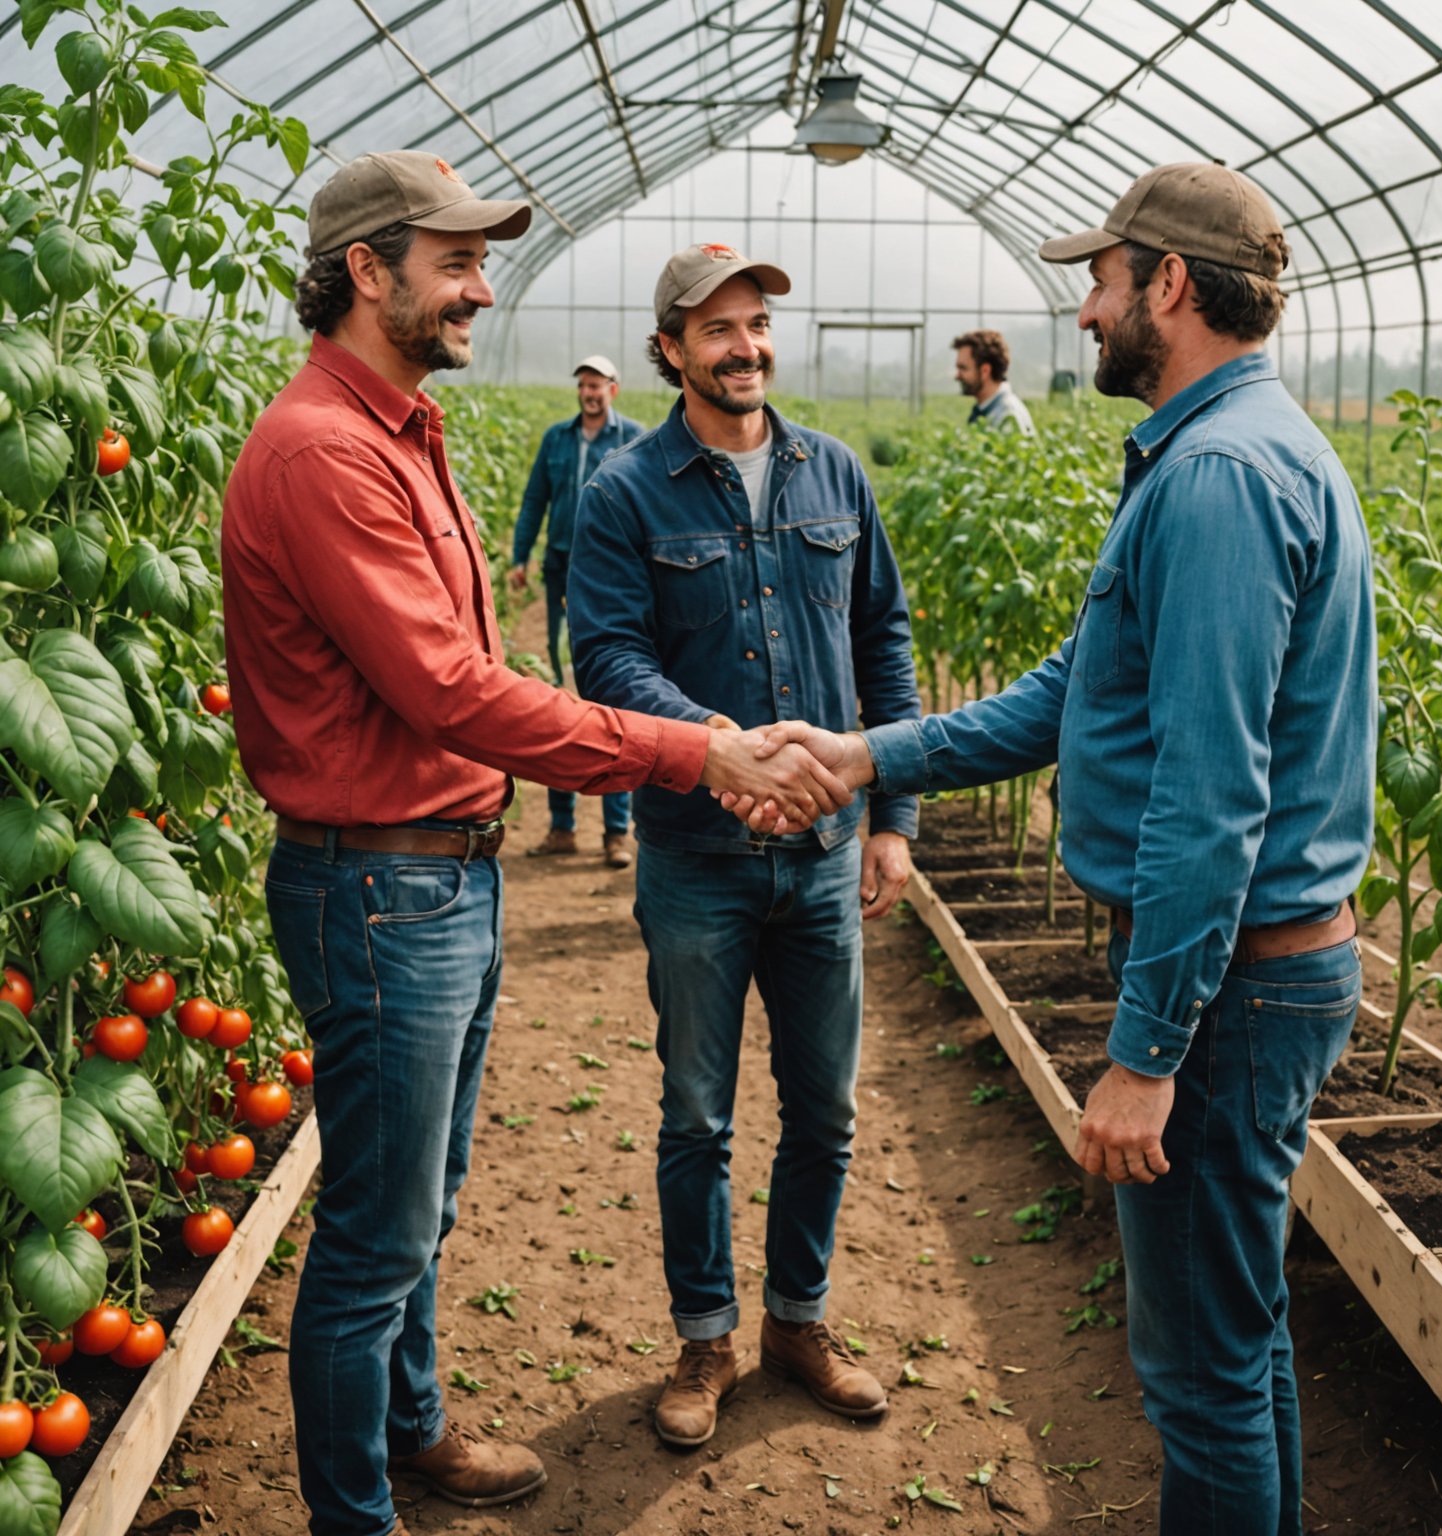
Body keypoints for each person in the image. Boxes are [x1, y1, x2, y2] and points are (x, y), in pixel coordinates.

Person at [732, 164, 1375, 1536]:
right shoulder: (1229, 452)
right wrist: (866, 754)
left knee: (1200, 1374)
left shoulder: (1217, 479)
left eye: (1102, 278)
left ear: (1173, 286)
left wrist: (1145, 1058)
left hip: (1238, 986)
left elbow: (1212, 804)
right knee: (1237, 1342)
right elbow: (1075, 690)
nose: (1083, 309)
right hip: (1264, 972)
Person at [220, 159, 852, 1536]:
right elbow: (454, 690)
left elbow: (466, 670)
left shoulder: (397, 428)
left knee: (422, 1202)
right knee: (374, 1241)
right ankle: (357, 1513)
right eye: (457, 261)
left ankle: (417, 1428)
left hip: (436, 870)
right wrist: (699, 752)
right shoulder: (329, 449)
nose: (483, 284)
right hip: (381, 882)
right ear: (369, 272)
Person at [566, 243, 920, 1447]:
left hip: (822, 853)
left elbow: (886, 645)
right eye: (715, 328)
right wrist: (720, 749)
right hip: (696, 854)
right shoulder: (624, 491)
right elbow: (606, 657)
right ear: (670, 350)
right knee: (697, 1115)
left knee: (824, 1108)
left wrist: (894, 821)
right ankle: (706, 1339)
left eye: (756, 322)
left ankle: (798, 1319)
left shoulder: (836, 477)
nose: (744, 346)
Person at [511, 356, 644, 866]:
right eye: (584, 385)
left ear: (614, 388)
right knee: (557, 696)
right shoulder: (557, 440)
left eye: (597, 385)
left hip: (612, 574)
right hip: (560, 568)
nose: (590, 393)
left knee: (610, 695)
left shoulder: (633, 438)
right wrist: (521, 555)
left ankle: (616, 832)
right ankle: (562, 827)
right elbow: (533, 500)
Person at [953, 328, 1034, 434]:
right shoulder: (985, 409)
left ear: (985, 371)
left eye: (963, 368)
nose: (957, 376)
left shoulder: (1008, 416)